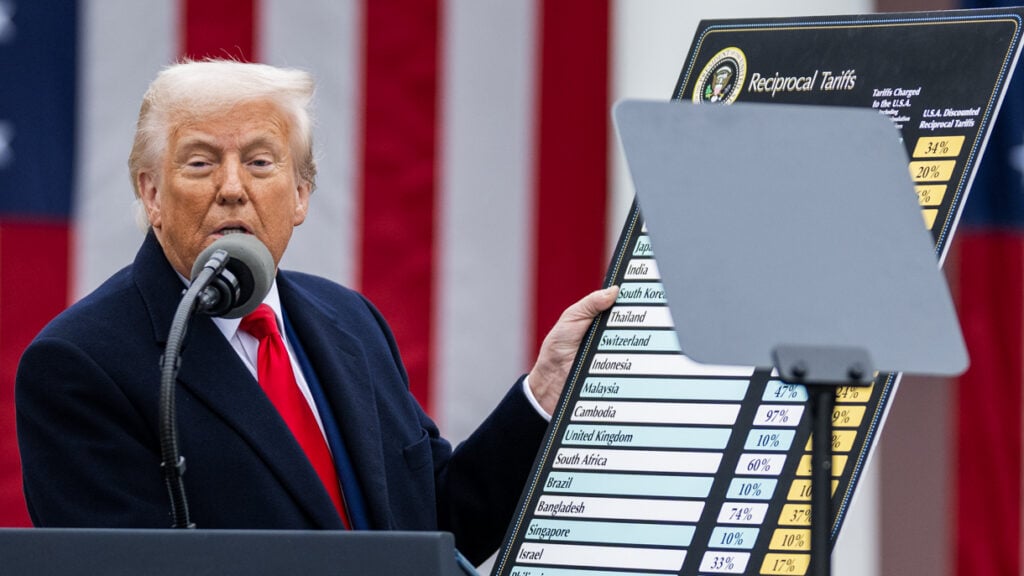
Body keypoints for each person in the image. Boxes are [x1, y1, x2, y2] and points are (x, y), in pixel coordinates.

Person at [15, 59, 618, 565]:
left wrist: (542, 395)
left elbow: (441, 524)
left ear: (301, 194)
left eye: (260, 162)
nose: (231, 187)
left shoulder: (348, 320)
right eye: (199, 162)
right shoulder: (78, 365)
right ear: (151, 194)